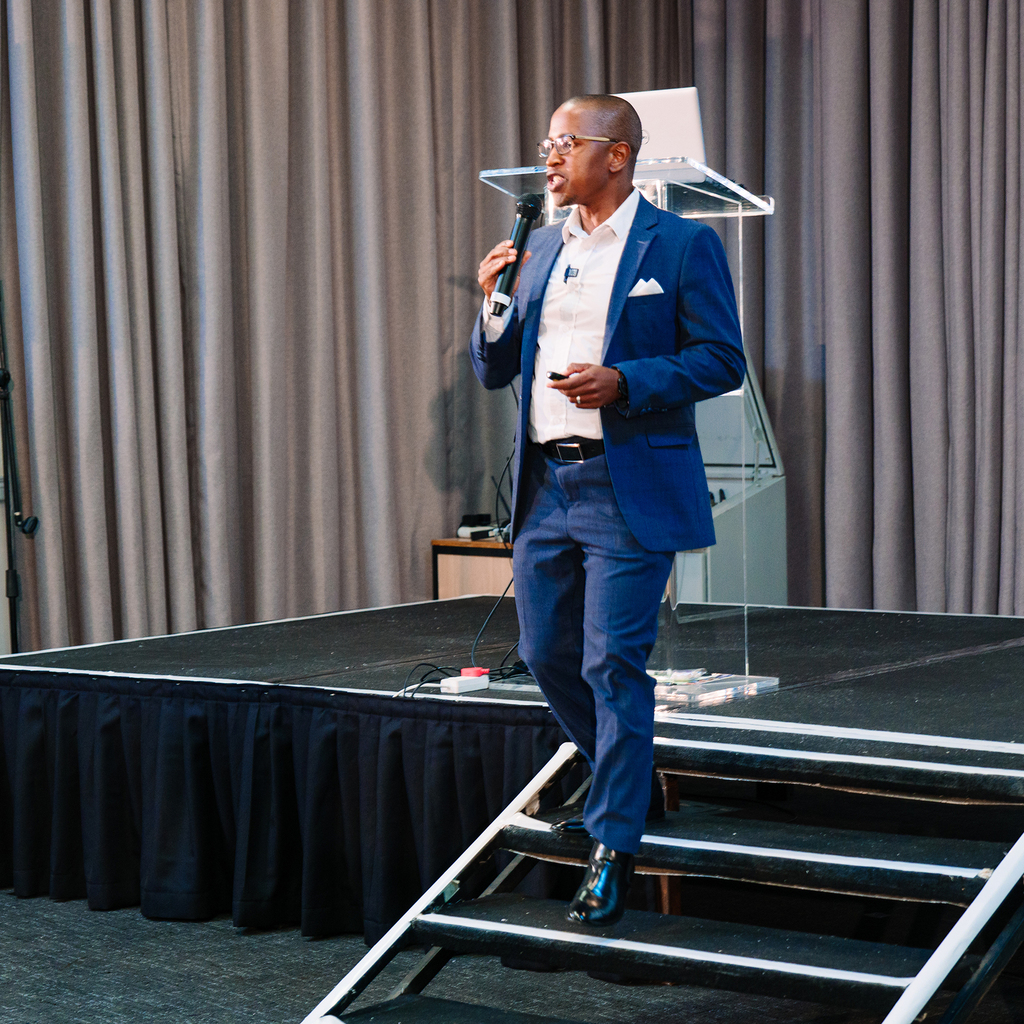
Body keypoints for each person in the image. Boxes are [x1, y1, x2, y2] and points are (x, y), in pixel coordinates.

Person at [470, 94, 745, 925]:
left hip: (624, 487)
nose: (550, 158)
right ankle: (629, 781)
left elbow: (720, 359)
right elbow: (494, 369)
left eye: (567, 143)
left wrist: (627, 381)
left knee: (610, 663)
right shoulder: (540, 248)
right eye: (547, 144)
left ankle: (613, 840)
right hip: (546, 489)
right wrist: (490, 303)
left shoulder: (682, 245)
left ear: (617, 154)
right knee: (544, 650)